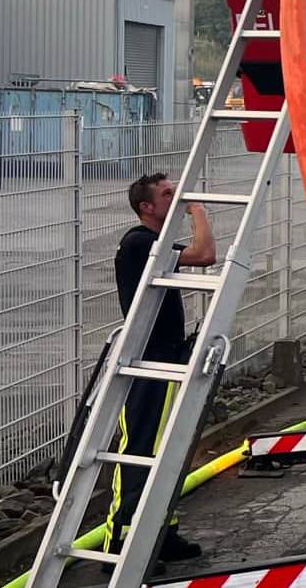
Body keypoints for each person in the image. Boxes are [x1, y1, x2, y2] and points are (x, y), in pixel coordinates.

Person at [108, 172, 214, 563]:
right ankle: (121, 538)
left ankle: (161, 533)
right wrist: (196, 208)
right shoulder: (139, 243)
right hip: (146, 363)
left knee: (164, 449)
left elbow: (203, 255)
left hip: (165, 358)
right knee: (140, 447)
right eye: (168, 194)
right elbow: (205, 254)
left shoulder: (158, 244)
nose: (177, 196)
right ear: (146, 207)